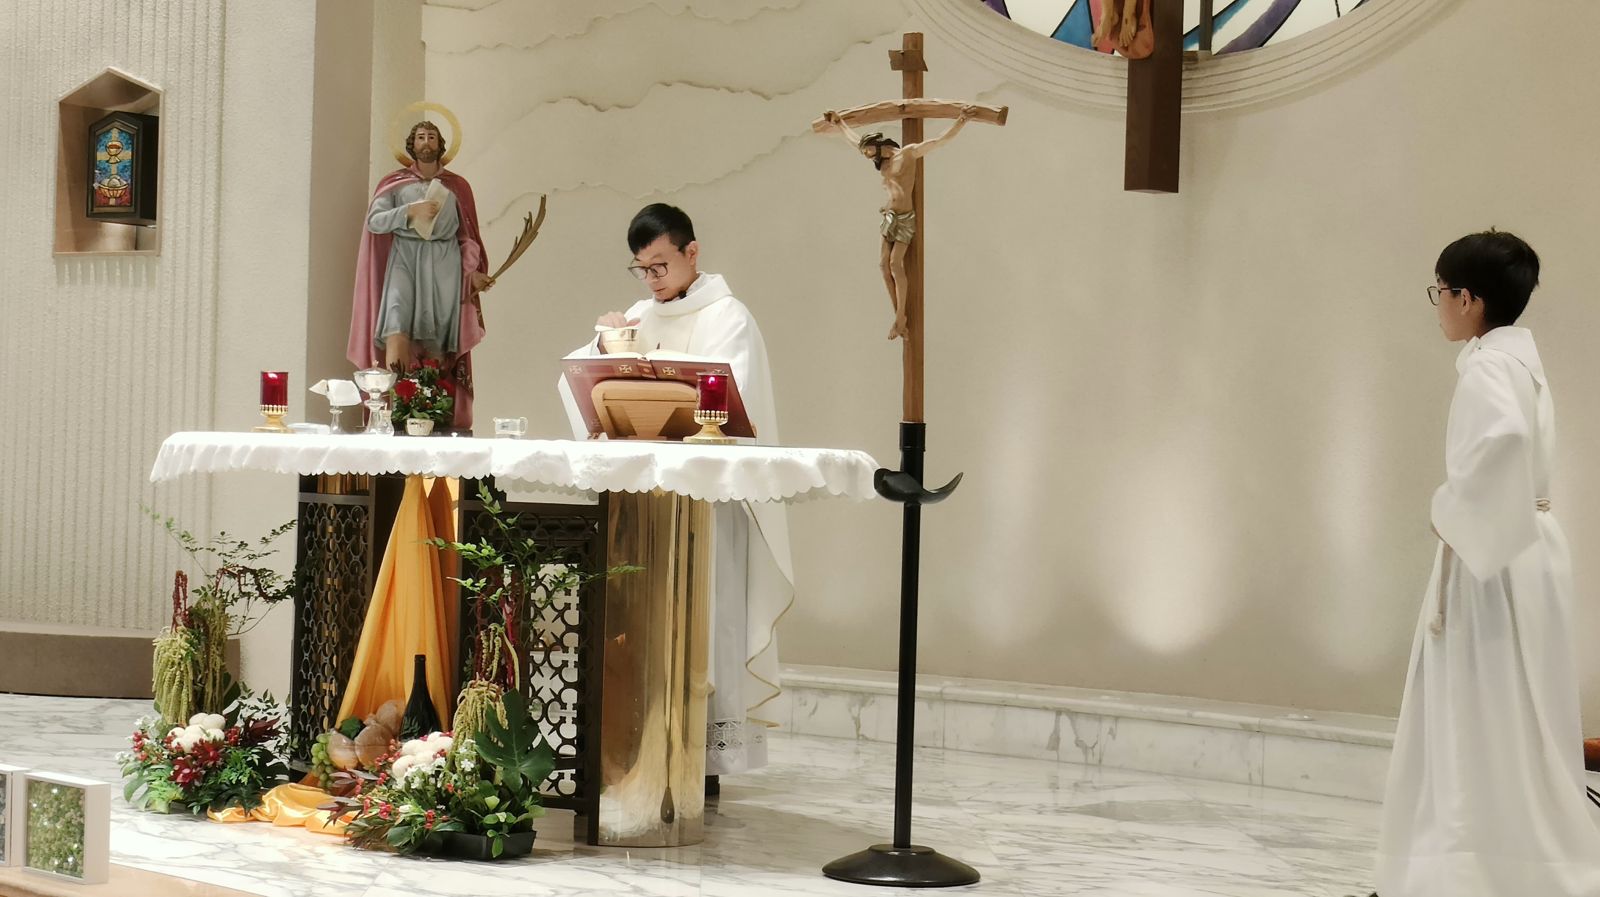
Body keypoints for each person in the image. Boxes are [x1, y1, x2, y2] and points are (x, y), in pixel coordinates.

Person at [1373, 230, 1600, 896]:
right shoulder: (1517, 360)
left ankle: (1470, 868)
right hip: (1524, 546)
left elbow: (1502, 439)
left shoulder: (1489, 367)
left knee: (1477, 708)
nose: (1438, 305)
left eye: (1441, 292)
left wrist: (1451, 508)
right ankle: (1515, 862)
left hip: (1493, 560)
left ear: (1468, 298)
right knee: (1517, 711)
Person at [558, 203, 793, 782]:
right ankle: (639, 746)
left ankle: (703, 762)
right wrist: (605, 349)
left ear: (692, 252)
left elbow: (727, 398)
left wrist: (648, 367)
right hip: (647, 499)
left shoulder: (728, 315)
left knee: (709, 619)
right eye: (642, 268)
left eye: (660, 265)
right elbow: (581, 385)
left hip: (709, 505)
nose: (652, 279)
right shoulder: (638, 316)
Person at [348, 120, 492, 429]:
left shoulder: (457, 186)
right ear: (411, 145)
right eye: (421, 137)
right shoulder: (395, 183)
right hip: (405, 259)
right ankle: (393, 409)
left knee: (436, 339)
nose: (426, 142)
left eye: (432, 137)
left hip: (444, 265)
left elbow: (467, 237)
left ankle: (433, 410)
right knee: (395, 324)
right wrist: (409, 212)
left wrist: (473, 274)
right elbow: (375, 221)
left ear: (441, 145)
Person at [821, 107, 974, 339]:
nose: (868, 156)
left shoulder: (908, 153)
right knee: (883, 266)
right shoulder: (880, 162)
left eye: (870, 151)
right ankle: (899, 318)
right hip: (888, 217)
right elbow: (856, 142)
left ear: (880, 145)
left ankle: (901, 315)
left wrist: (962, 120)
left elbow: (939, 141)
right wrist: (840, 123)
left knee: (895, 264)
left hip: (904, 218)